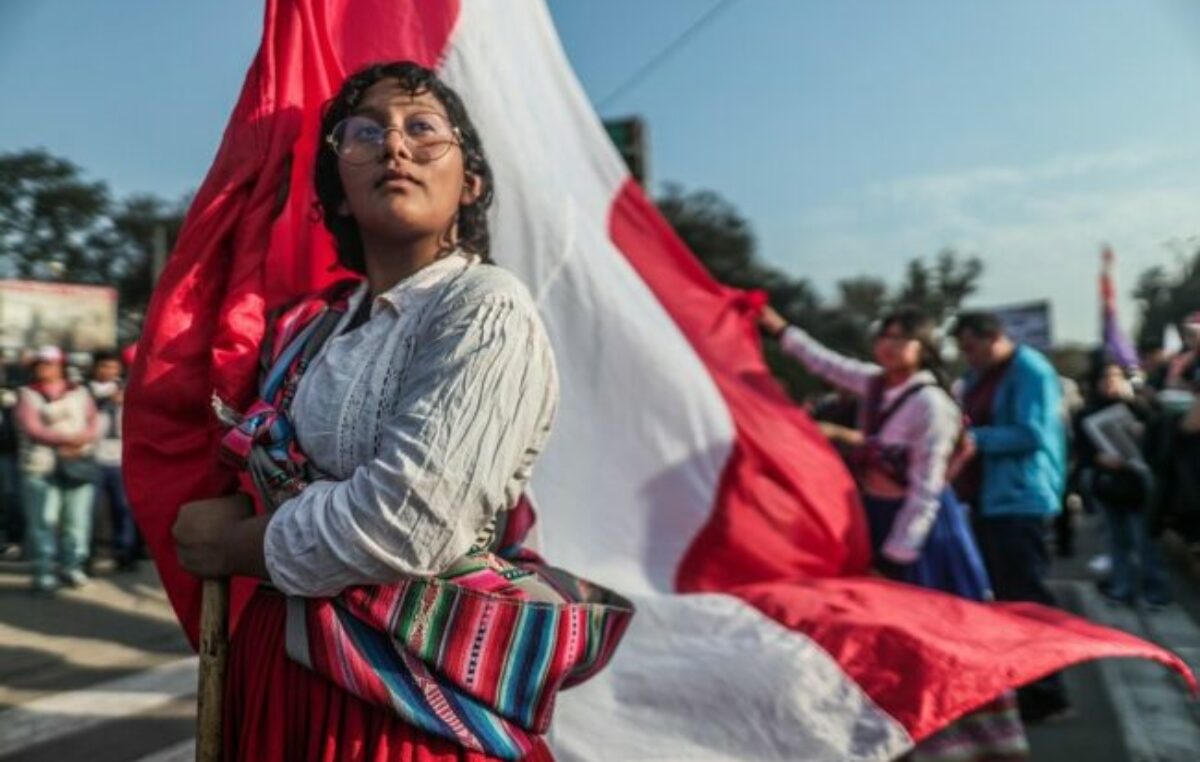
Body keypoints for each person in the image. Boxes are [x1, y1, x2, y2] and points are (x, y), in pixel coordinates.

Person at [168, 61, 629, 760]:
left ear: (469, 182)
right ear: (341, 195)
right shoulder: (309, 329)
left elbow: (408, 523)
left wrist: (232, 545)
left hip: (398, 703)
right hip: (279, 666)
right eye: (364, 133)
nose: (394, 146)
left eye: (422, 129)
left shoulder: (485, 307)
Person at [760, 305, 1028, 761]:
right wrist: (780, 328)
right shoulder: (875, 385)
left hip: (922, 537)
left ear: (923, 349)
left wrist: (893, 558)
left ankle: (957, 741)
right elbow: (825, 362)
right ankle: (898, 732)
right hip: (881, 518)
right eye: (884, 335)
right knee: (888, 639)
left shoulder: (930, 404)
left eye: (901, 338)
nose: (889, 344)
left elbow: (925, 492)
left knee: (933, 638)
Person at [951, 312, 1070, 723]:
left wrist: (969, 439)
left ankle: (1048, 690)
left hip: (1019, 499)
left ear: (993, 337)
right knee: (1006, 598)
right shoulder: (978, 376)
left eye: (971, 346)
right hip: (990, 499)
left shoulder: (1030, 370)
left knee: (1026, 598)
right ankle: (1026, 684)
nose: (968, 355)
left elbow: (1031, 433)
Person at [1075, 360, 1169, 608]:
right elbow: (1081, 451)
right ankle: (1121, 588)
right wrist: (1098, 458)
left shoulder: (1141, 409)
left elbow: (1160, 441)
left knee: (1144, 539)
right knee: (1115, 540)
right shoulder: (1086, 413)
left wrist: (1142, 427)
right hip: (1107, 483)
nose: (1111, 383)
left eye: (1116, 377)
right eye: (1105, 378)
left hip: (1139, 484)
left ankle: (1154, 591)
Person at [14, 345, 102, 592]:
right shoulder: (27, 394)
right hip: (40, 467)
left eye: (50, 363)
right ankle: (44, 569)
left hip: (77, 464)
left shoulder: (80, 392)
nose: (45, 368)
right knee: (44, 521)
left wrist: (83, 440)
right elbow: (33, 428)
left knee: (76, 521)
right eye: (40, 364)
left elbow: (94, 422)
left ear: (60, 366)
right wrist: (68, 440)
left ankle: (72, 566)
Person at [88, 350, 139, 571]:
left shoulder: (128, 389)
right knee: (97, 509)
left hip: (121, 457)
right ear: (95, 368)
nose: (108, 371)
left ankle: (126, 552)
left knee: (124, 508)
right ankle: (99, 552)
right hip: (94, 456)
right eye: (104, 366)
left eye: (112, 366)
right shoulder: (84, 392)